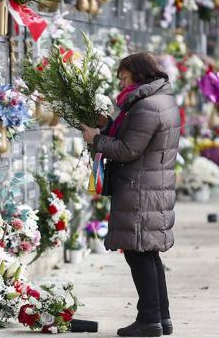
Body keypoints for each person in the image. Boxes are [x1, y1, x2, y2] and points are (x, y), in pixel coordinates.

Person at [81, 53, 180, 337]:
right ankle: (161, 317)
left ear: (138, 75)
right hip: (150, 187)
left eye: (124, 76)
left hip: (141, 190)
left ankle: (149, 320)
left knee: (138, 254)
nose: (121, 82)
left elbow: (128, 149)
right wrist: (107, 124)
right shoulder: (158, 100)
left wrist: (96, 139)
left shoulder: (146, 106)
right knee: (147, 254)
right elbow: (136, 139)